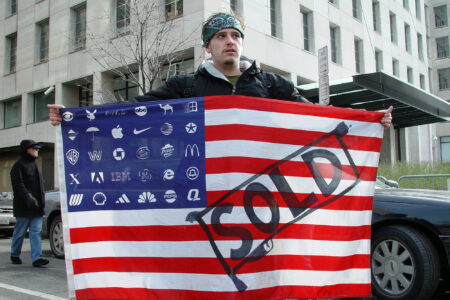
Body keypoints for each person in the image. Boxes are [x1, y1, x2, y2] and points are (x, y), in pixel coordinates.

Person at [48, 12, 392, 127]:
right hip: (203, 187)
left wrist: (370, 118)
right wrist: (75, 115)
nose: (230, 41)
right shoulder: (185, 85)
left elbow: (316, 116)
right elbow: (135, 107)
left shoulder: (271, 84)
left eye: (235, 36)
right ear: (208, 46)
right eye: (221, 36)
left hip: (259, 187)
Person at [10, 139, 49, 267]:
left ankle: (37, 258)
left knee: (35, 232)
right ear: (25, 150)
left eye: (37, 148)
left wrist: (41, 203)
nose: (37, 150)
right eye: (34, 148)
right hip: (24, 207)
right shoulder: (18, 166)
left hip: (37, 207)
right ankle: (15, 254)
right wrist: (28, 198)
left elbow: (39, 187)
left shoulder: (35, 165)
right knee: (20, 232)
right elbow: (18, 185)